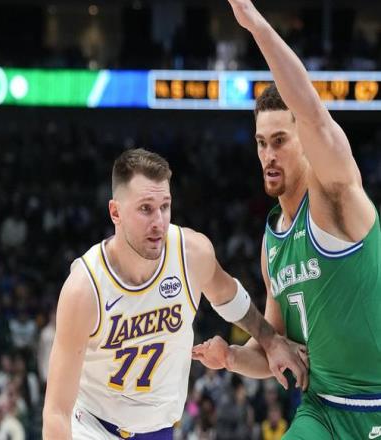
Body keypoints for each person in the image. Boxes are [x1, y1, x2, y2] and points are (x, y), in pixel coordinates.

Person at [193, 1, 381, 439]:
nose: (268, 155)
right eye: (261, 143)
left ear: (305, 142)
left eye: (279, 140)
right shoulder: (272, 240)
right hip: (322, 410)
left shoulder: (335, 196)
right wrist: (232, 358)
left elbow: (313, 113)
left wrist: (255, 25)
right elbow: (276, 346)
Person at [43, 148, 307, 439]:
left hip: (160, 430)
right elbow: (56, 412)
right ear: (115, 212)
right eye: (146, 209)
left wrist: (271, 340)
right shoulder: (84, 288)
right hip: (94, 427)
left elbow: (231, 299)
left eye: (165, 206)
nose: (158, 221)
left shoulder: (191, 253)